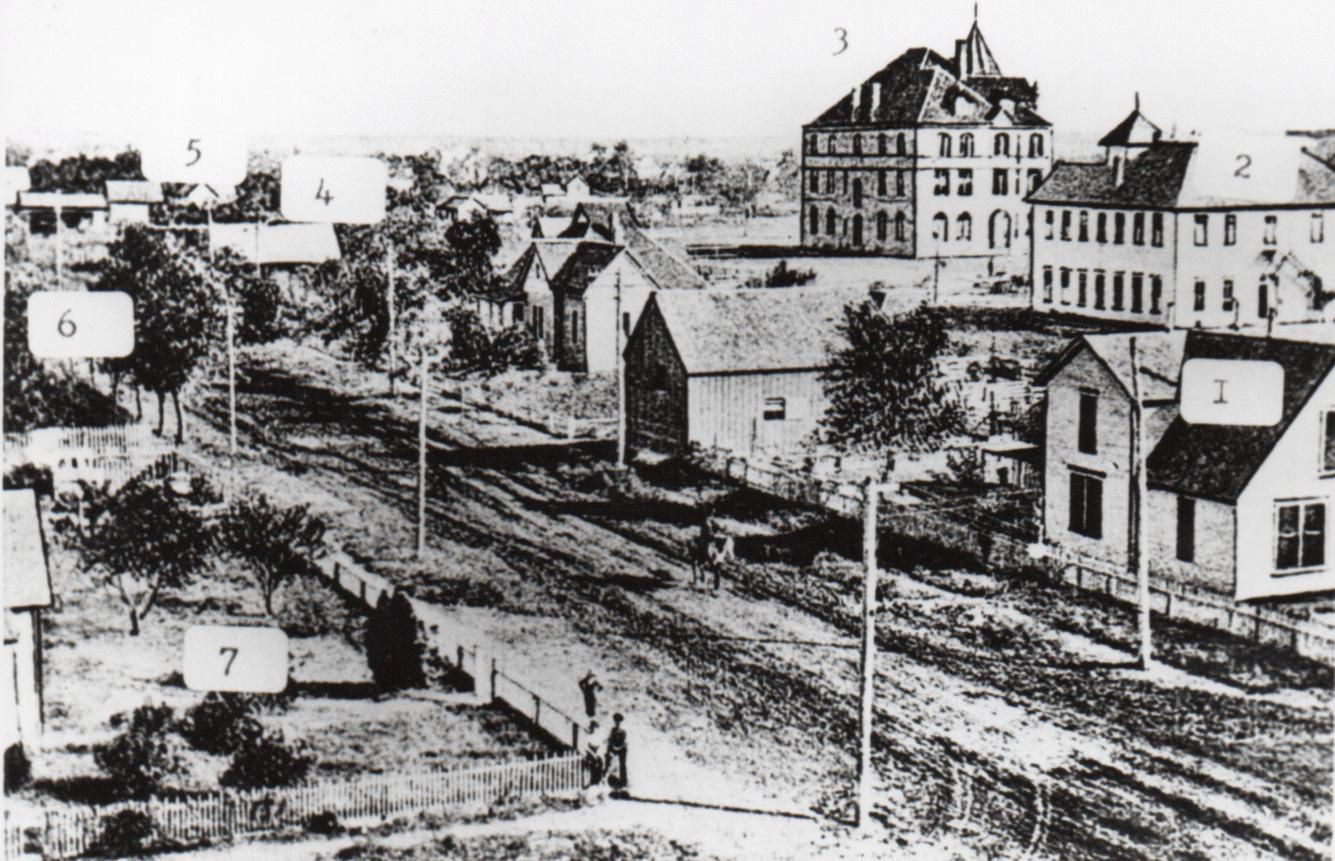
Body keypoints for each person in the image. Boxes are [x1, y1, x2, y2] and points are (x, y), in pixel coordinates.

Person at [605, 712, 628, 797]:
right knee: (613, 767)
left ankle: (623, 785)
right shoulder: (612, 730)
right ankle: (613, 786)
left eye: (618, 722)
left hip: (621, 751)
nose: (617, 723)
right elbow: (610, 741)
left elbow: (623, 742)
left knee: (622, 767)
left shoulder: (623, 731)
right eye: (616, 721)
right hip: (614, 751)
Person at [583, 720, 606, 797]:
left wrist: (598, 755)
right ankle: (592, 786)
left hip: (598, 756)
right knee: (593, 770)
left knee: (599, 770)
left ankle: (598, 787)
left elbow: (600, 746)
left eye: (595, 728)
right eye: (592, 728)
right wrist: (593, 755)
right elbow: (586, 747)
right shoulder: (588, 736)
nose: (593, 729)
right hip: (590, 756)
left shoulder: (597, 737)